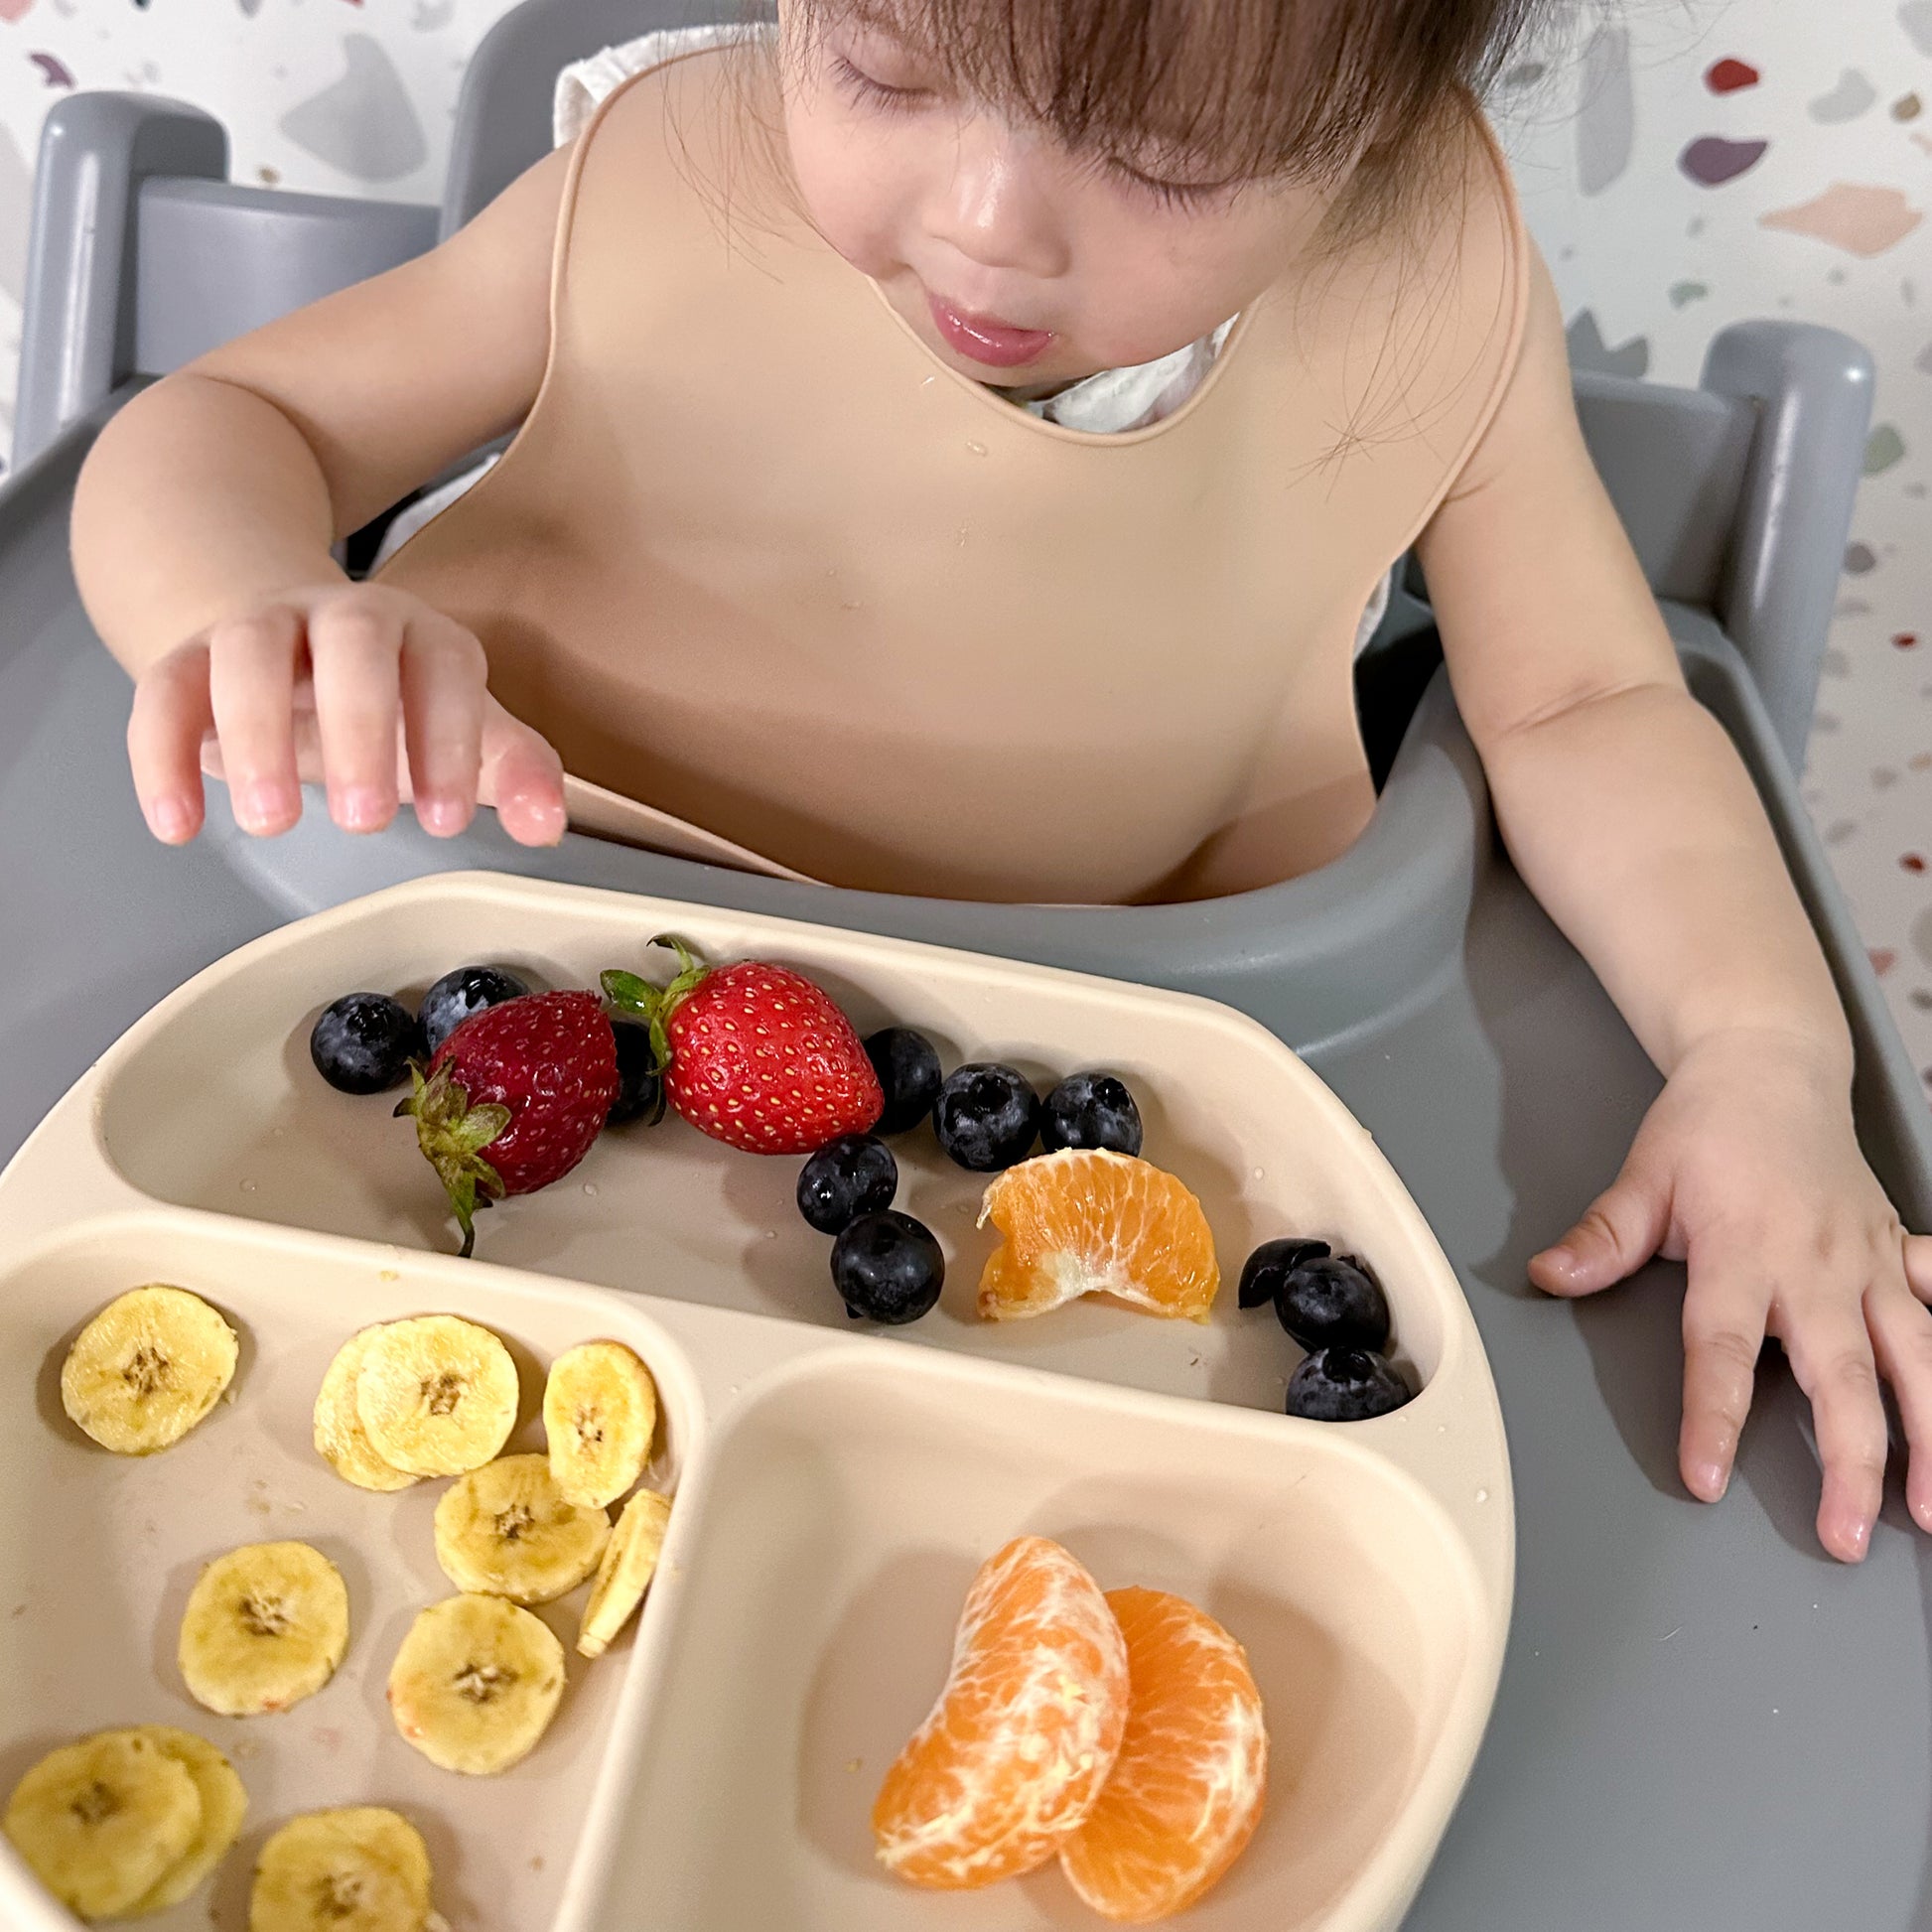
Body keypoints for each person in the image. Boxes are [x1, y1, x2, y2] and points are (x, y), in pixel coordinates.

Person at [69, 0, 1932, 1558]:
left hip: (1036, 1095)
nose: (984, 227)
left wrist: (1760, 1055)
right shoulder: (666, 175)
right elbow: (245, 424)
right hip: (473, 1002)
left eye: (1169, 162)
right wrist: (256, 602)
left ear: (1369, 121)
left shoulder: (1434, 281)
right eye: (880, 61)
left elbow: (1590, 701)